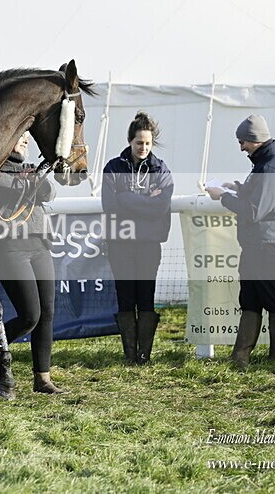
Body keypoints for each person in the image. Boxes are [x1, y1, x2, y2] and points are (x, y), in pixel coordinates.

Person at [0, 133, 65, 394]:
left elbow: (49, 191)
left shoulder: (30, 169)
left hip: (39, 243)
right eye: (20, 136)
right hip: (9, 247)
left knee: (47, 312)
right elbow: (2, 186)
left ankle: (42, 378)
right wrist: (26, 184)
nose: (25, 140)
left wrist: (34, 181)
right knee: (29, 316)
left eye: (27, 137)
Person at [207, 115, 275, 369]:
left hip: (266, 243)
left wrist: (222, 197)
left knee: (272, 300)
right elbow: (261, 198)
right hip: (260, 243)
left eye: (243, 142)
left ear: (255, 140)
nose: (241, 147)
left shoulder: (269, 167)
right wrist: (236, 187)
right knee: (250, 298)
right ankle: (241, 356)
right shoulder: (269, 162)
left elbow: (254, 210)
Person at [101, 112, 173, 364]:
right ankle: (129, 353)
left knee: (146, 296)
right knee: (125, 297)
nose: (143, 148)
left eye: (147, 143)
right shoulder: (113, 167)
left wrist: (127, 199)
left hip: (148, 244)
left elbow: (161, 207)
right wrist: (144, 200)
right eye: (139, 142)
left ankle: (144, 353)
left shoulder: (160, 169)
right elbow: (110, 205)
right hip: (120, 243)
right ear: (130, 141)